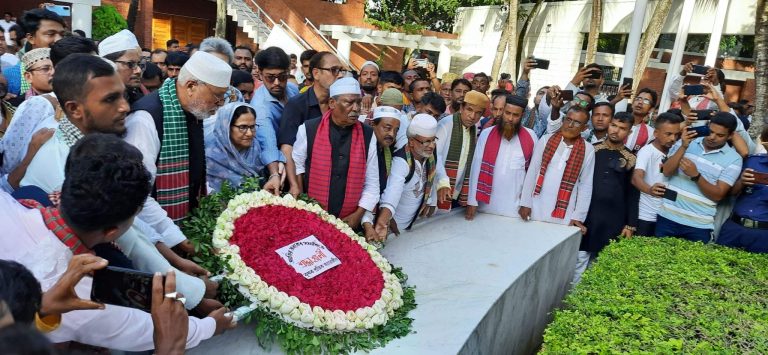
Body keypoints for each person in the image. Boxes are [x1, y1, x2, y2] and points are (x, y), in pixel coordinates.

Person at [1, 134, 233, 350]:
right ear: (112, 232)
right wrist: (211, 326)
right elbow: (154, 329)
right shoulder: (78, 298)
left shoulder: (10, 208)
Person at [126, 50, 232, 222]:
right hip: (154, 230)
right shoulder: (145, 119)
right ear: (191, 86)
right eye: (217, 96)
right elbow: (138, 195)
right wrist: (176, 239)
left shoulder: (194, 110)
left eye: (224, 96)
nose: (220, 104)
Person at [292, 77, 379, 228]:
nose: (356, 108)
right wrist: (302, 201)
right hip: (312, 215)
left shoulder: (368, 135)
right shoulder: (308, 129)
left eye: (358, 102)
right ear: (332, 103)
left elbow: (372, 182)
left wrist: (357, 216)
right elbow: (297, 166)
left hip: (349, 220)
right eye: (349, 102)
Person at [656, 112, 743, 242]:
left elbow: (718, 195)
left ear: (730, 136)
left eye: (720, 135)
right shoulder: (685, 142)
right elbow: (666, 171)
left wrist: (696, 176)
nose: (712, 137)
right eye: (711, 131)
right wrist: (684, 146)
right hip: (667, 216)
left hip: (699, 225)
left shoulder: (734, 159)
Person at [519, 105, 595, 230]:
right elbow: (532, 172)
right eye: (568, 119)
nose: (570, 125)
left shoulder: (588, 149)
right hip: (537, 205)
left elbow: (586, 185)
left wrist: (578, 216)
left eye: (576, 123)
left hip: (565, 212)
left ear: (584, 128)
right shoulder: (545, 140)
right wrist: (525, 203)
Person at [280, 51, 344, 197]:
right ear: (316, 73)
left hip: (331, 185)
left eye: (341, 70)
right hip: (303, 185)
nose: (339, 75)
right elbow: (287, 149)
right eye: (334, 70)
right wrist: (295, 185)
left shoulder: (340, 107)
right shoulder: (296, 105)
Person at [368, 113, 438, 240]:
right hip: (392, 231)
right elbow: (392, 193)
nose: (432, 145)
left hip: (413, 225)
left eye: (433, 140)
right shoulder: (401, 162)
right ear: (411, 141)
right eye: (426, 141)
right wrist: (384, 221)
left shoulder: (430, 156)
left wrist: (429, 200)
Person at [467, 95, 537, 219]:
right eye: (507, 113)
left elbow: (533, 173)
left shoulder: (531, 137)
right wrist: (472, 201)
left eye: (515, 115)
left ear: (522, 116)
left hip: (514, 209)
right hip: (484, 207)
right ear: (503, 111)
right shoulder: (486, 134)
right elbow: (476, 167)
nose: (510, 118)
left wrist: (526, 203)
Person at [581, 112, 638, 257]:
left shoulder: (631, 158)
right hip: (587, 214)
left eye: (622, 128)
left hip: (614, 218)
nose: (616, 130)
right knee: (579, 257)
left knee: (602, 260)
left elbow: (632, 194)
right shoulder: (591, 150)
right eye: (613, 125)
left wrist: (630, 224)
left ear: (629, 132)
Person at [433, 90, 489, 212]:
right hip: (437, 186)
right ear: (462, 107)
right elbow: (435, 156)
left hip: (454, 190)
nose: (472, 116)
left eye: (478, 113)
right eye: (469, 110)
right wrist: (443, 182)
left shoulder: (473, 129)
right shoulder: (446, 124)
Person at [250, 47, 297, 188]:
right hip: (277, 165)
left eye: (282, 77)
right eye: (270, 77)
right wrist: (274, 174)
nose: (277, 83)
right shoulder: (260, 106)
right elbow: (267, 140)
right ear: (259, 73)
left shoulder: (293, 90)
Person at [631, 112, 684, 236]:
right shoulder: (647, 152)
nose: (673, 138)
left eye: (676, 134)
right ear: (656, 133)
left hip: (665, 216)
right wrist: (650, 190)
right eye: (668, 134)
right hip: (646, 216)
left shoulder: (674, 151)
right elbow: (636, 178)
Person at [205, 102, 266, 192]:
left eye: (252, 127)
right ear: (226, 127)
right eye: (243, 127)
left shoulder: (255, 148)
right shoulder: (211, 155)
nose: (249, 133)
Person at [715, 149, 767, 252]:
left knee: (754, 267)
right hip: (734, 226)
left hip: (764, 233)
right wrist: (741, 182)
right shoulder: (753, 161)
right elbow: (729, 193)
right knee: (715, 264)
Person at [3, 9, 64, 96]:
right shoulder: (11, 76)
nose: (59, 39)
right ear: (31, 38)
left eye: (62, 34)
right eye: (51, 34)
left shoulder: (70, 69)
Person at [99, 29, 144, 104]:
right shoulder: (95, 101)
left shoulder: (141, 100)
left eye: (139, 64)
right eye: (130, 64)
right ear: (109, 64)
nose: (138, 70)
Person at [624, 88, 657, 153]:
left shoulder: (650, 133)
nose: (640, 102)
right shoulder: (617, 121)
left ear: (651, 109)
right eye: (638, 99)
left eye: (646, 101)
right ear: (633, 103)